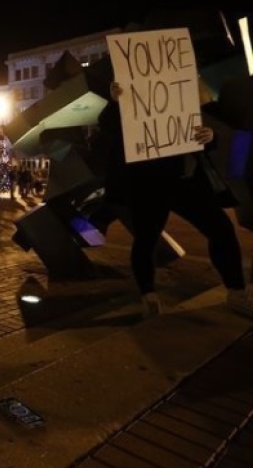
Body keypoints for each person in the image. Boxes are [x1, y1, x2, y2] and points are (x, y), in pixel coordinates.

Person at [97, 80, 253, 318]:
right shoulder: (127, 96)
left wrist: (209, 136)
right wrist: (116, 103)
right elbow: (108, 127)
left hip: (187, 179)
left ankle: (236, 292)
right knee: (146, 240)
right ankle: (148, 295)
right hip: (148, 183)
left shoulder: (183, 91)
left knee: (221, 229)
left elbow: (204, 131)